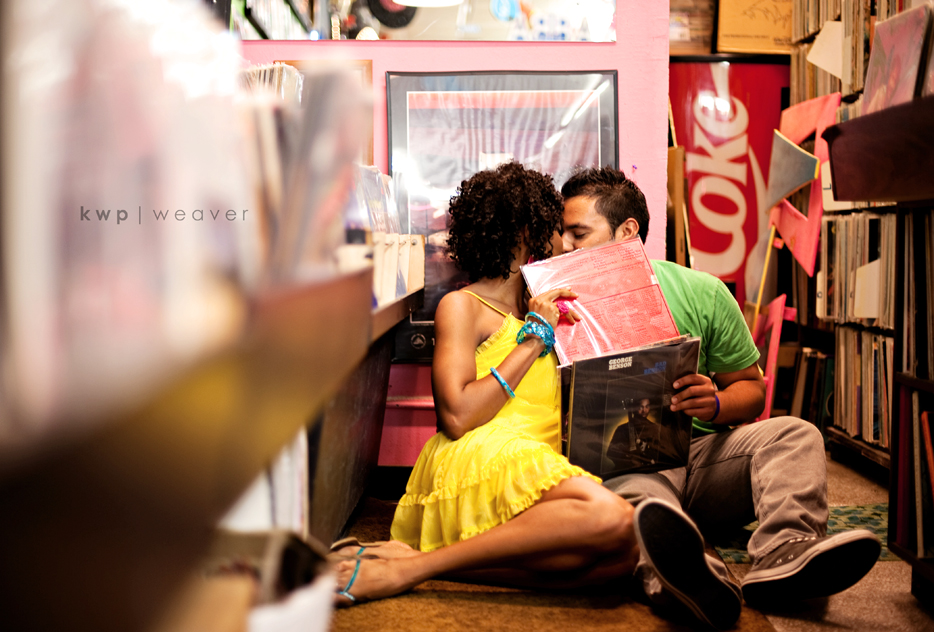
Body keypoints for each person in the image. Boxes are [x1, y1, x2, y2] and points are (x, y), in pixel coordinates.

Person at [559, 166, 881, 629]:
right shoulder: (552, 303)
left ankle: (785, 553)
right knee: (643, 501)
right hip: (627, 467)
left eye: (578, 233)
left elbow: (751, 390)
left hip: (705, 457)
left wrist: (714, 403)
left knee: (796, 435)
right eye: (563, 233)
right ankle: (686, 574)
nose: (564, 245)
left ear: (626, 231)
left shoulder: (701, 291)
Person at [332, 161, 639, 605]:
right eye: (558, 228)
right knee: (615, 519)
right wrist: (534, 339)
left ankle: (418, 562)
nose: (565, 241)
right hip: (482, 455)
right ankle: (410, 570)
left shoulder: (545, 306)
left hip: (534, 461)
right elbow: (457, 416)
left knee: (619, 562)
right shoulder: (464, 305)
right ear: (528, 231)